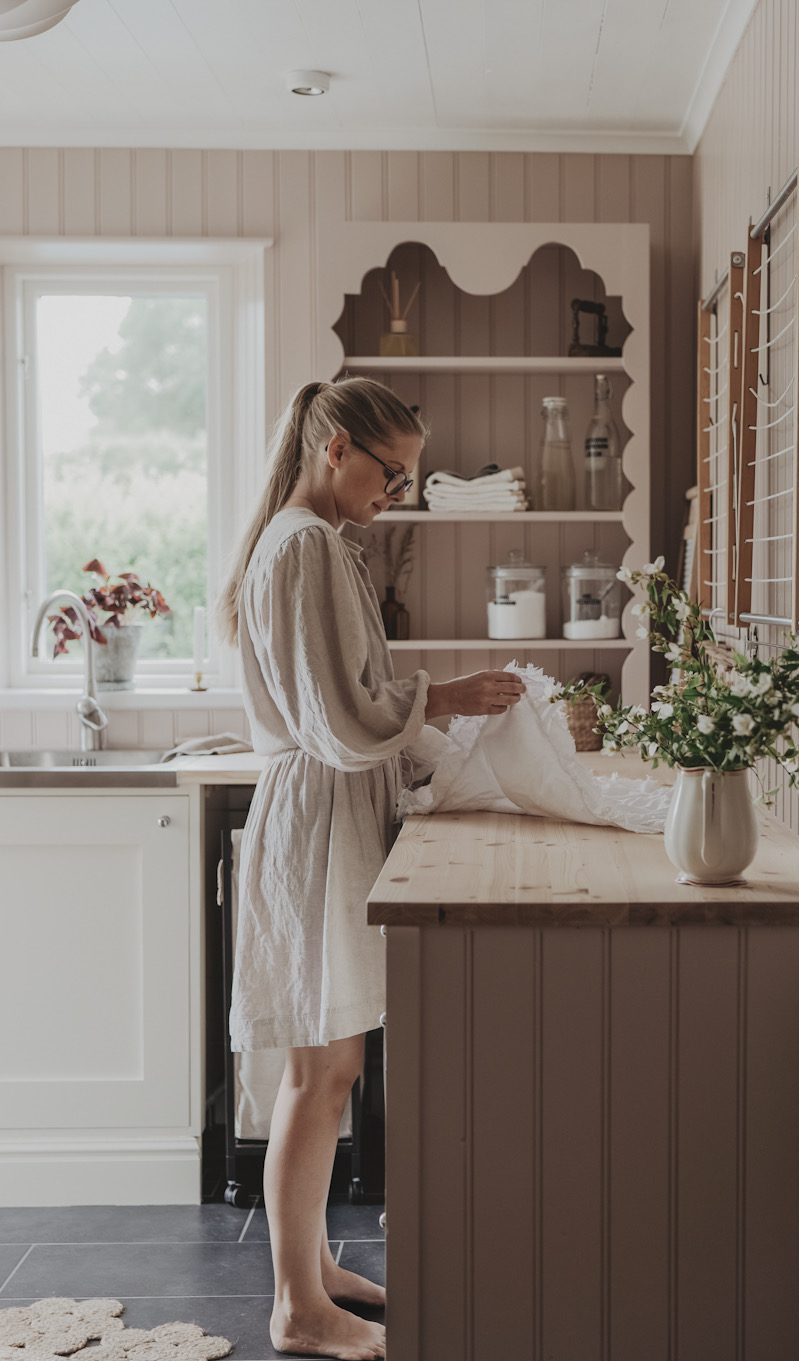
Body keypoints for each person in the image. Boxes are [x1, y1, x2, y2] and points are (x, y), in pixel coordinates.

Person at [216, 376, 525, 1361]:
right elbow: (345, 721)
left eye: (411, 478)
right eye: (392, 474)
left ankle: (308, 1270)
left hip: (326, 809)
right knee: (321, 1067)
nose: (399, 493)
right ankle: (299, 1307)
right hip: (318, 816)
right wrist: (454, 693)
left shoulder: (314, 542)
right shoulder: (304, 544)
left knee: (328, 1062)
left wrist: (429, 729)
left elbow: (353, 701)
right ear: (335, 448)